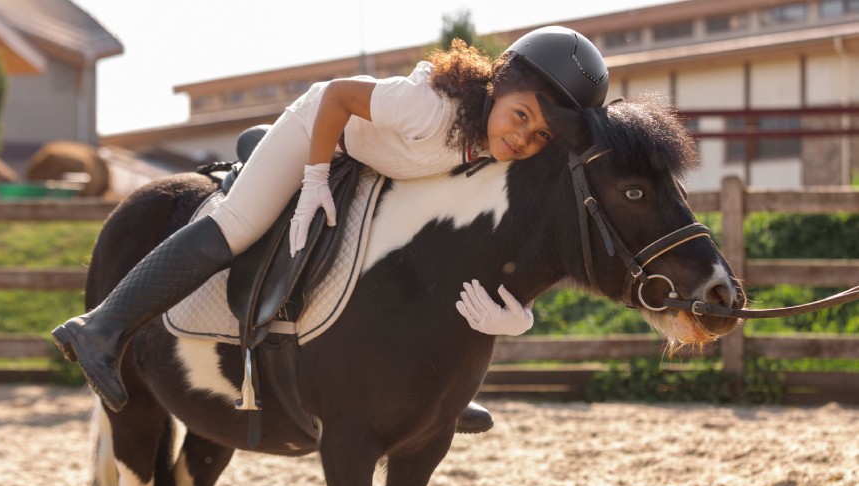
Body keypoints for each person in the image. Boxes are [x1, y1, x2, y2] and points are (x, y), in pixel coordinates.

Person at [52, 26, 608, 432]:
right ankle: (100, 328)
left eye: (540, 137)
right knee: (239, 225)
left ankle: (437, 389)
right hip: (319, 128)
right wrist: (315, 178)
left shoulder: (489, 150)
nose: (523, 140)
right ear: (499, 84)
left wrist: (520, 313)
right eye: (521, 117)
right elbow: (340, 96)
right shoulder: (428, 109)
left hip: (383, 160)